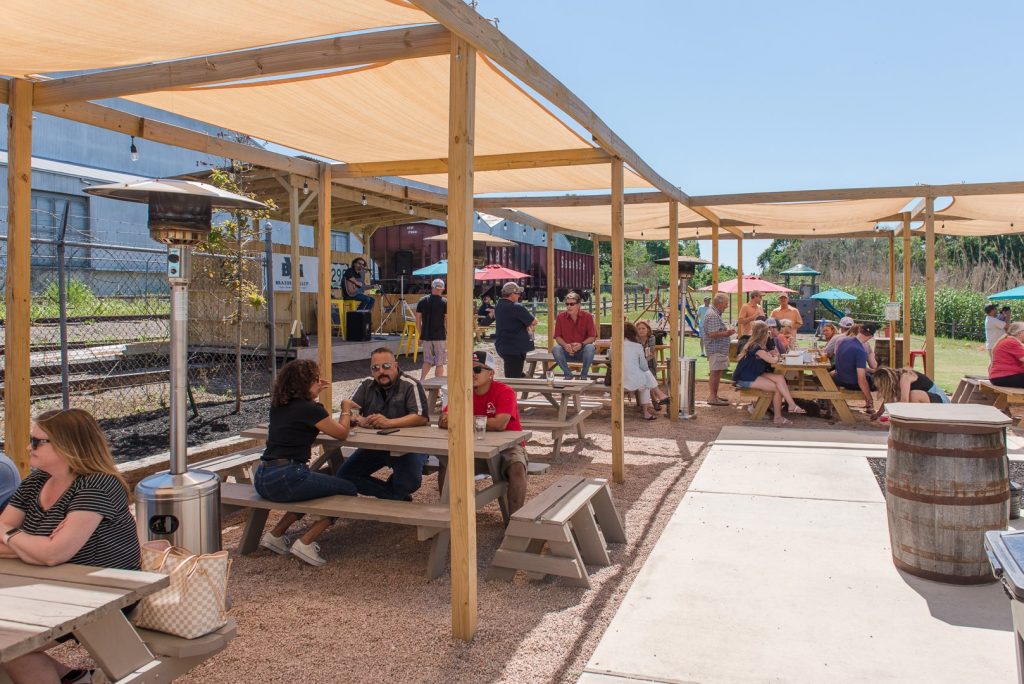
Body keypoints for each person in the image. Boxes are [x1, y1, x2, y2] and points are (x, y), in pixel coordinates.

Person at [0, 409, 140, 684]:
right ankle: (74, 678)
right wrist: (35, 545)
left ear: (68, 445)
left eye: (37, 441)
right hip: (51, 585)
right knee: (10, 646)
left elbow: (54, 554)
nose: (29, 446)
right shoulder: (37, 480)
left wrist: (14, 536)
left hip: (102, 594)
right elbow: (47, 551)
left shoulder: (99, 484)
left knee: (9, 643)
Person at [254, 359, 357, 566]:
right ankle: (306, 541)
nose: (319, 382)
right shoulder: (312, 410)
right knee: (348, 489)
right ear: (305, 383)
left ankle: (276, 534)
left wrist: (315, 390)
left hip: (263, 476)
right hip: (288, 476)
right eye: (316, 379)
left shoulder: (278, 406)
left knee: (320, 484)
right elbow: (342, 433)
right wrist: (345, 408)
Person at [438, 351, 528, 512]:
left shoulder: (505, 391)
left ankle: (515, 525)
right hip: (472, 446)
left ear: (491, 373)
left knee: (517, 468)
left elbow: (500, 424)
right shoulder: (461, 390)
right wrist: (472, 421)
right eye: (468, 370)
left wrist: (461, 419)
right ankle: (449, 519)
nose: (472, 374)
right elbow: (443, 420)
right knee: (447, 463)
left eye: (477, 370)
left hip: (508, 447)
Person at [338, 348, 430, 501]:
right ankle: (395, 497)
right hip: (375, 446)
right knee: (345, 475)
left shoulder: (410, 384)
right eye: (376, 368)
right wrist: (362, 421)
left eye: (386, 366)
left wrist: (389, 423)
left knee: (409, 483)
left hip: (409, 447)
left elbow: (421, 417)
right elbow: (350, 410)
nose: (381, 371)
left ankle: (395, 493)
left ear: (396, 365)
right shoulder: (366, 384)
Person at [732, 321, 806, 426]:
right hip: (746, 378)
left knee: (780, 377)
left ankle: (791, 404)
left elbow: (771, 355)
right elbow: (773, 360)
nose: (769, 334)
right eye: (768, 332)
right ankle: (778, 417)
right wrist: (775, 356)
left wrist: (773, 355)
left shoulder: (758, 345)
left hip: (753, 374)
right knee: (777, 388)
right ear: (763, 334)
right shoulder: (756, 348)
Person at [623, 323, 670, 420]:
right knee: (646, 377)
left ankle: (659, 396)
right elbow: (644, 366)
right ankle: (649, 409)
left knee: (645, 380)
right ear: (634, 333)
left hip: (619, 378)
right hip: (630, 381)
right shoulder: (637, 346)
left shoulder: (615, 344)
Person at [494, 282, 537, 378]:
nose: (519, 296)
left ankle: (530, 382)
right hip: (515, 348)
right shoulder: (516, 307)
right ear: (512, 294)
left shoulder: (499, 306)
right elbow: (534, 321)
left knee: (515, 373)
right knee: (513, 379)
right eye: (518, 293)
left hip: (503, 346)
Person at [871, 366, 949, 419]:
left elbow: (904, 401)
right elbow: (888, 398)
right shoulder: (897, 378)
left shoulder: (905, 377)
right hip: (934, 402)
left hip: (942, 403)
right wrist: (878, 414)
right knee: (910, 395)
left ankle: (916, 420)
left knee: (913, 395)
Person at [552, 291, 597, 379]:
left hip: (582, 352)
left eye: (572, 304)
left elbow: (592, 337)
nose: (569, 306)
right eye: (567, 304)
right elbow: (557, 337)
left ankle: (584, 375)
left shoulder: (587, 317)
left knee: (590, 347)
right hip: (566, 351)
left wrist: (581, 344)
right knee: (556, 349)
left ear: (578, 305)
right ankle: (568, 374)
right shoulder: (560, 317)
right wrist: (565, 345)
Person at [834, 322, 876, 413]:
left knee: (869, 376)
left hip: (839, 378)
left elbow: (848, 364)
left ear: (860, 330)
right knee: (880, 382)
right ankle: (871, 406)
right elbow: (862, 380)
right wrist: (870, 398)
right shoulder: (860, 351)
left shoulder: (843, 341)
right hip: (851, 383)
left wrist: (871, 371)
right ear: (871, 337)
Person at [703, 293, 736, 406]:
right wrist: (727, 333)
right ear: (720, 303)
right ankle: (712, 397)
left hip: (718, 349)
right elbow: (712, 333)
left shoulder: (714, 313)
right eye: (726, 303)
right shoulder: (713, 315)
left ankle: (714, 395)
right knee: (715, 372)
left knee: (717, 372)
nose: (727, 306)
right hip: (715, 349)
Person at [416, 278, 448, 379]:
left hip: (426, 336)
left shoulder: (422, 300)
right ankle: (437, 390)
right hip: (440, 336)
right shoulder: (444, 302)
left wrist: (420, 335)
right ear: (442, 289)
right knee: (439, 363)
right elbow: (447, 320)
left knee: (427, 361)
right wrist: (448, 334)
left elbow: (417, 320)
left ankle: (421, 381)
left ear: (432, 287)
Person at [990, 321, 1024, 388]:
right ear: (1020, 332)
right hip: (1005, 377)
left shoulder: (1008, 340)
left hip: (1000, 377)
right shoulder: (1012, 342)